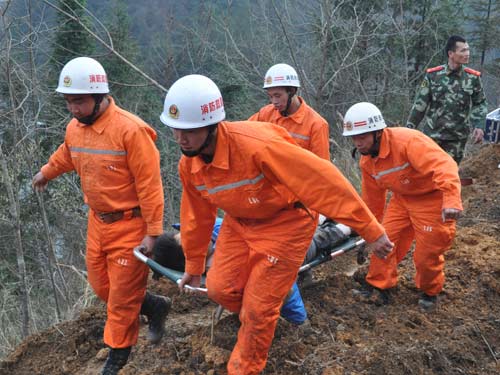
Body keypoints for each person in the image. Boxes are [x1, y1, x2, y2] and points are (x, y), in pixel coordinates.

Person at [159, 74, 393, 375]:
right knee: (219, 288)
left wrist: (370, 230)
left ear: (212, 123)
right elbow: (196, 215)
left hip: (287, 222)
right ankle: (262, 316)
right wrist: (193, 264)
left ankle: (247, 359)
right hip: (240, 223)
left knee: (258, 311)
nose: (181, 139)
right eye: (176, 130)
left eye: (189, 131)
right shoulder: (188, 164)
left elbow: (324, 182)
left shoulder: (258, 146)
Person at [32, 57, 170, 375]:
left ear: (99, 94)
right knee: (103, 288)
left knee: (121, 300)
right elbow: (67, 153)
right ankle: (155, 305)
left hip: (130, 225)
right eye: (68, 101)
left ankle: (117, 358)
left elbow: (151, 187)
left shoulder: (130, 131)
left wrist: (152, 232)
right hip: (98, 222)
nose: (73, 108)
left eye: (78, 101)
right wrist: (46, 172)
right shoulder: (75, 128)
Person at [343, 102, 463, 310]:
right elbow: (373, 200)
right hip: (401, 200)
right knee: (383, 240)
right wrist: (369, 229)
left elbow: (444, 165)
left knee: (427, 254)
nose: (358, 143)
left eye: (362, 137)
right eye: (354, 138)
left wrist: (451, 199)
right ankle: (380, 286)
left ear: (377, 132)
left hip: (431, 199)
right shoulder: (367, 162)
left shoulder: (408, 141)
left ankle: (430, 291)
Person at [152, 218, 352, 325]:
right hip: (285, 248)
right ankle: (344, 227)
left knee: (306, 228)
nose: (195, 238)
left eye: (188, 235)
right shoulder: (221, 266)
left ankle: (332, 221)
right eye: (189, 244)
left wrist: (300, 320)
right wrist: (299, 318)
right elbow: (276, 279)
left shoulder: (211, 228)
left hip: (278, 231)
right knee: (315, 241)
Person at [406, 35, 488, 164]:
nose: (467, 54)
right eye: (463, 50)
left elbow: (480, 103)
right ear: (451, 53)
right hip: (433, 136)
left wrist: (479, 125)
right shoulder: (433, 76)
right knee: (429, 172)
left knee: (450, 175)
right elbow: (420, 105)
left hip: (457, 139)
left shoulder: (472, 78)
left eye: (468, 50)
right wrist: (409, 130)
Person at [249, 63, 330, 160]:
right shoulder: (265, 114)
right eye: (270, 96)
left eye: (278, 96)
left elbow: (322, 167)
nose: (274, 101)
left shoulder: (316, 125)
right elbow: (243, 132)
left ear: (292, 91)